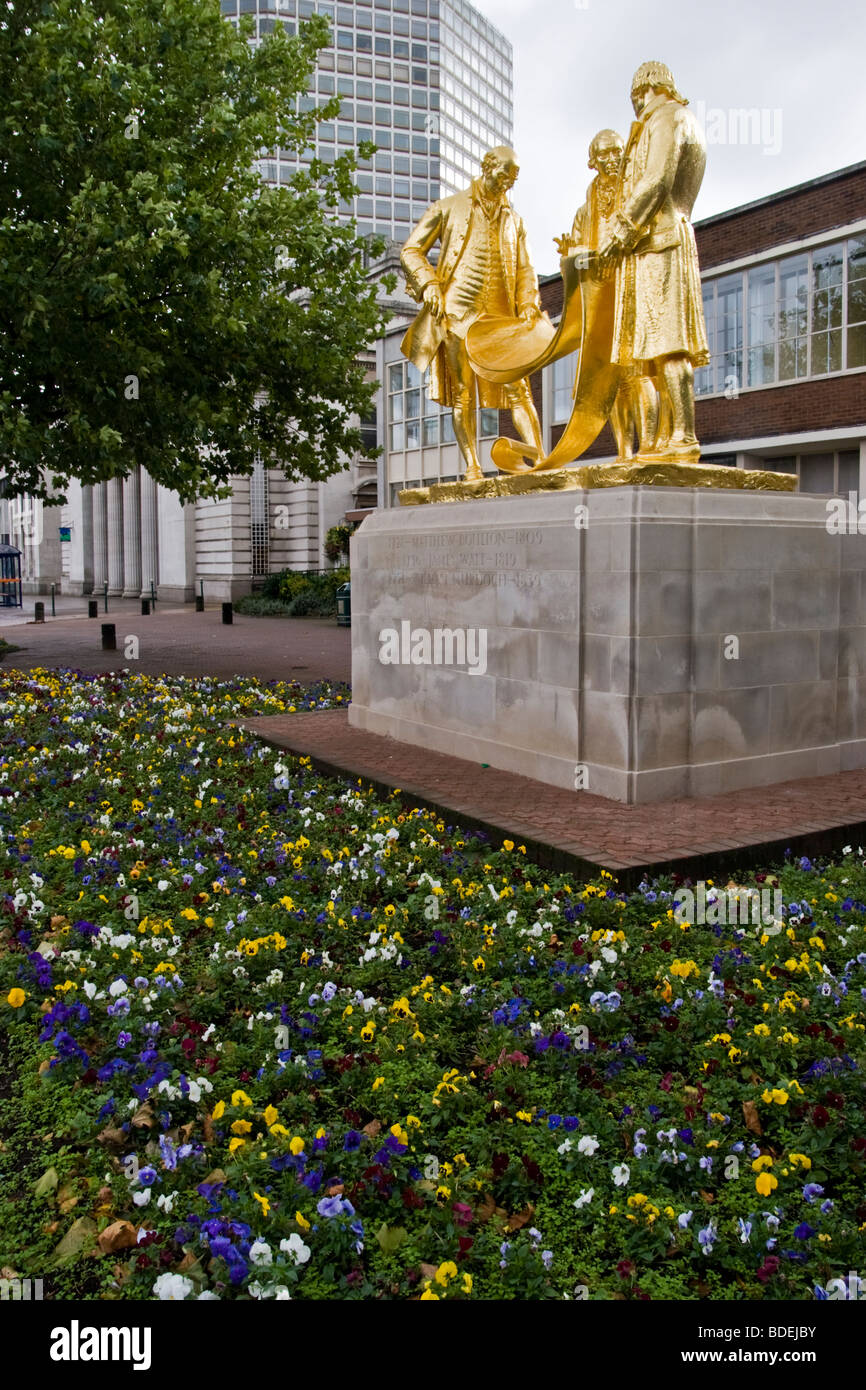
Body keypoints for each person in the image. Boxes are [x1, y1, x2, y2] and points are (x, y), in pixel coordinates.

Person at [400, 146, 544, 482]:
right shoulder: (448, 207)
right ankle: (472, 468)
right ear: (488, 167)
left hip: (502, 322)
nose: (508, 184)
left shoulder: (515, 220)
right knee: (463, 393)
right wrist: (429, 284)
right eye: (505, 175)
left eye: (514, 179)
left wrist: (528, 303)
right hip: (457, 315)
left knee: (519, 388)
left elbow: (526, 270)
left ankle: (540, 461)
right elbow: (411, 251)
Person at [597, 61, 710, 462]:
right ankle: (668, 438)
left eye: (636, 98)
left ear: (647, 87)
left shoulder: (666, 118)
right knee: (661, 348)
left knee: (669, 342)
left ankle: (682, 436)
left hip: (657, 241)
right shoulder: (684, 120)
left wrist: (620, 232)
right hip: (662, 239)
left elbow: (656, 180)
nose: (636, 107)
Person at [555, 128, 657, 461]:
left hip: (633, 297)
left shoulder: (636, 193)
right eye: (604, 156)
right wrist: (571, 254)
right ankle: (625, 452)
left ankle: (652, 447)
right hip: (602, 304)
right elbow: (574, 257)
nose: (611, 161)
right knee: (612, 384)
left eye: (616, 153)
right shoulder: (586, 209)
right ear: (593, 162)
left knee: (638, 373)